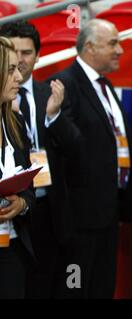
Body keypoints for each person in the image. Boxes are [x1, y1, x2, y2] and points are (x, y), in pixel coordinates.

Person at [48, 19, 132, 298]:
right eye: (113, 43)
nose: (120, 49)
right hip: (79, 219)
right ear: (89, 47)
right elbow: (66, 146)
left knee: (102, 288)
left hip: (109, 212)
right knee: (77, 290)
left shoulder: (105, 85)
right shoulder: (64, 84)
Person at [0, 21, 81, 298]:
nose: (19, 70)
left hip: (37, 217)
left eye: (27, 53)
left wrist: (22, 202)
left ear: (37, 55)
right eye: (11, 65)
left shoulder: (48, 96)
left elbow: (75, 147)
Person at [0, 36, 35, 298]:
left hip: (13, 249)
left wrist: (21, 204)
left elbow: (29, 188)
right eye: (11, 70)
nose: (19, 78)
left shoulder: (15, 124)